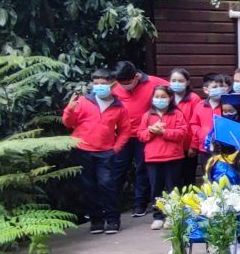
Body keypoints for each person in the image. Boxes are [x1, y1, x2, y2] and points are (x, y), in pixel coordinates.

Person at [63, 68, 130, 235]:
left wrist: (116, 148)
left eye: (103, 84)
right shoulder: (83, 102)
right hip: (82, 150)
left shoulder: (119, 106)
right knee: (88, 187)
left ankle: (113, 220)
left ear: (112, 85)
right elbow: (68, 123)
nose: (99, 86)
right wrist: (69, 109)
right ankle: (96, 221)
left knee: (107, 185)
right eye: (96, 83)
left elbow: (125, 130)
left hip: (106, 152)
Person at [110, 61, 169, 219]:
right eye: (121, 84)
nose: (124, 86)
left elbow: (173, 94)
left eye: (127, 83)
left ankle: (140, 204)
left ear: (136, 76)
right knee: (117, 169)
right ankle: (110, 206)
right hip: (122, 135)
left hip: (145, 134)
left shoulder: (154, 82)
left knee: (142, 169)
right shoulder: (114, 86)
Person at [136, 85, 189, 230]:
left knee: (173, 188)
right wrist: (151, 131)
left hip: (173, 157)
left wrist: (163, 132)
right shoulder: (147, 115)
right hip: (153, 158)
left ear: (170, 98)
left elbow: (182, 133)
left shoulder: (177, 114)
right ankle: (158, 216)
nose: (159, 100)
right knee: (156, 189)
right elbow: (140, 135)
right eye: (157, 97)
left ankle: (173, 216)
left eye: (163, 97)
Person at [167, 68, 201, 188]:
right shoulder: (166, 98)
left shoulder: (194, 99)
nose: (176, 83)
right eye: (174, 80)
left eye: (180, 80)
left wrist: (193, 145)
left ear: (187, 82)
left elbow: (197, 123)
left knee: (188, 177)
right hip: (171, 146)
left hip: (187, 146)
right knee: (173, 179)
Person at [190, 74, 229, 169]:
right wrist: (201, 134)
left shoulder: (229, 106)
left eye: (221, 86)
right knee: (207, 175)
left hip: (225, 149)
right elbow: (194, 124)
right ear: (206, 90)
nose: (219, 89)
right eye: (215, 87)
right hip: (205, 149)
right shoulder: (199, 106)